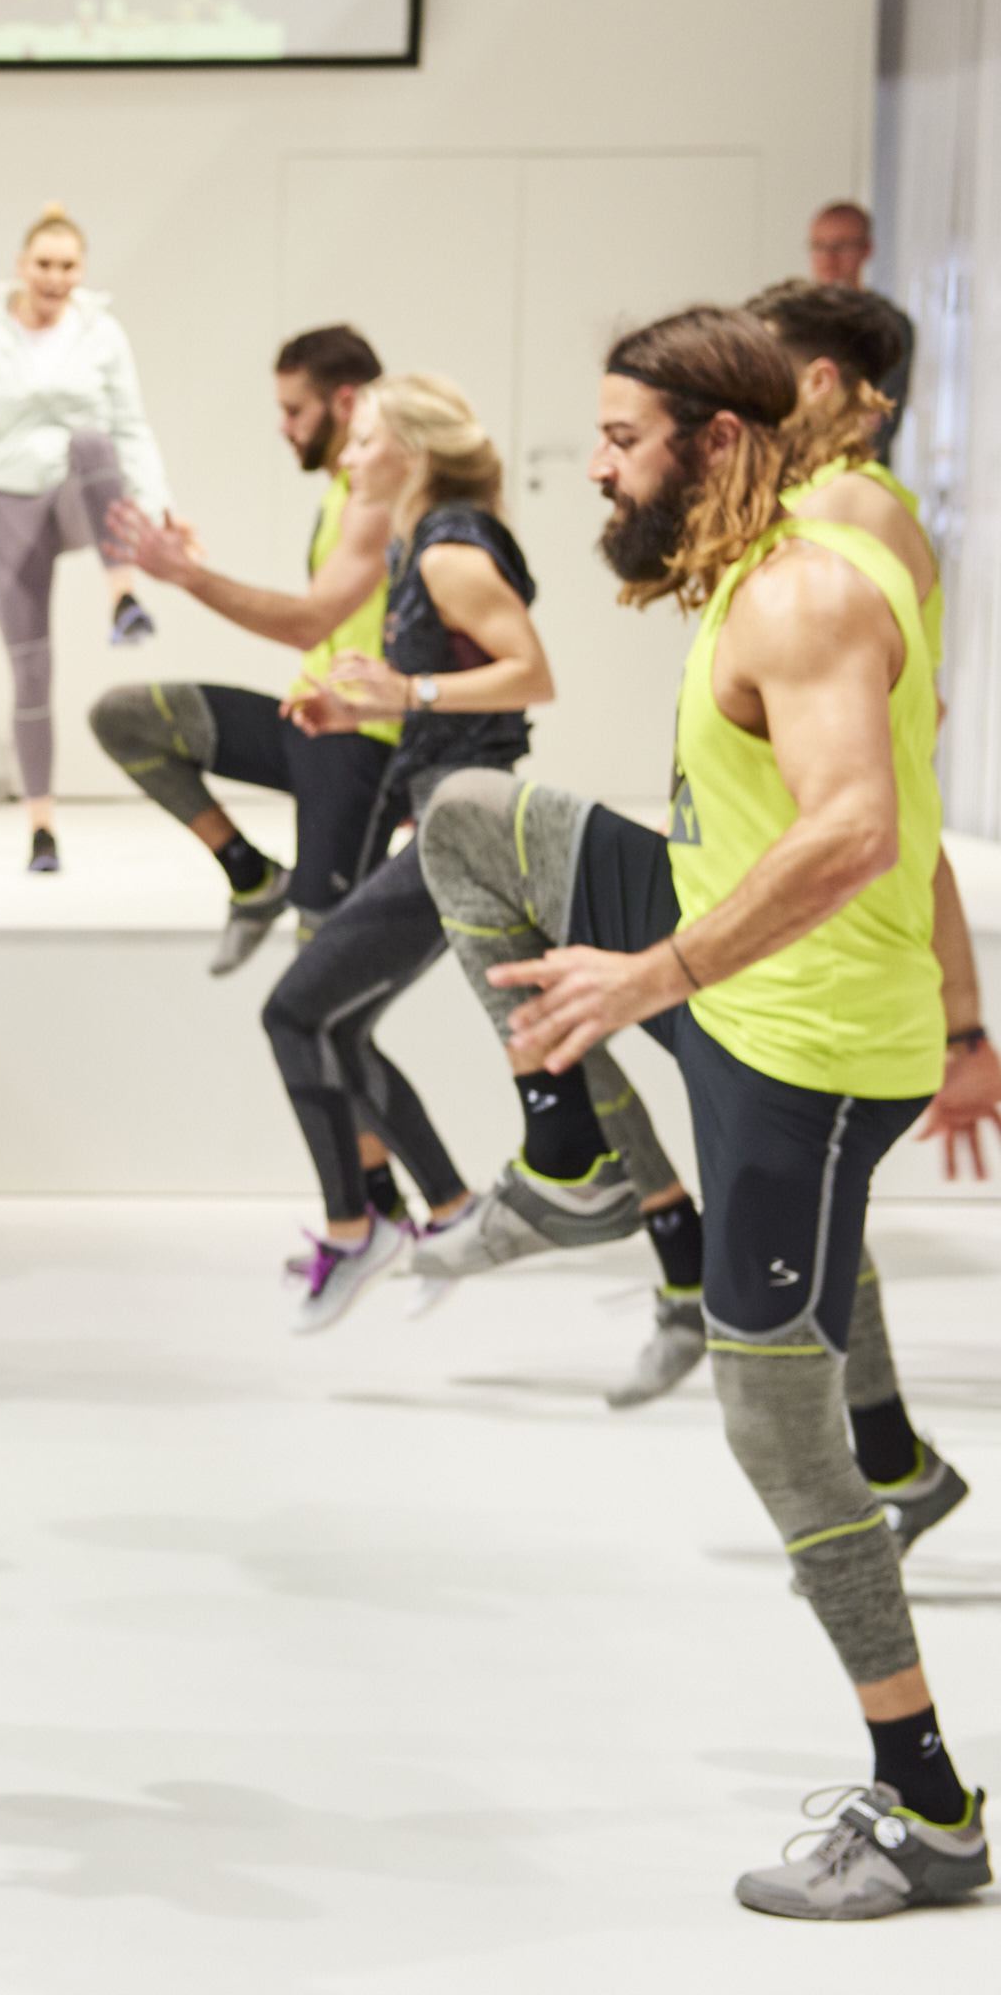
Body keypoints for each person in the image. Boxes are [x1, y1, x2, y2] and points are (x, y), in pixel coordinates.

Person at [414, 305, 985, 1917]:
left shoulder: (802, 594)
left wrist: (656, 969)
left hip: (798, 1048)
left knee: (774, 1431)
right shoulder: (755, 557)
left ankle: (930, 1810)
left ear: (719, 445)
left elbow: (863, 826)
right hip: (725, 944)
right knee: (468, 822)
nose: (594, 469)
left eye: (620, 440)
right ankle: (581, 1162)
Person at [251, 375, 550, 1332]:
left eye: (364, 438)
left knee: (296, 1013)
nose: (347, 455)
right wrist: (361, 705)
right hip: (445, 816)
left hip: (468, 825)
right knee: (330, 1023)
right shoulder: (425, 541)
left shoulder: (452, 548)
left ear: (410, 449)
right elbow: (442, 685)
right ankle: (449, 1213)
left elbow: (532, 675)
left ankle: (359, 1230)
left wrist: (406, 696)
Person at [95, 325, 396, 973]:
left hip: (364, 742)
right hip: (308, 720)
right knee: (124, 717)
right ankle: (253, 876)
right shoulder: (346, 490)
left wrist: (187, 576)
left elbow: (307, 624)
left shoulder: (384, 497)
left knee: (315, 980)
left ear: (344, 402)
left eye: (295, 410)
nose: (284, 427)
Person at [0, 202, 170, 872]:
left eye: (69, 266)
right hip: (9, 501)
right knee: (31, 669)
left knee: (92, 441)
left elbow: (131, 427)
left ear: (82, 272)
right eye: (45, 265)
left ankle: (124, 599)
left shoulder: (101, 333)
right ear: (22, 268)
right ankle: (42, 828)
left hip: (76, 497)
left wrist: (157, 505)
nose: (56, 278)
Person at [807, 200, 915, 465]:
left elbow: (880, 416)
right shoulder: (792, 322)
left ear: (866, 249)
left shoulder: (889, 325)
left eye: (840, 247)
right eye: (818, 246)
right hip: (796, 476)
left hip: (861, 472)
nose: (828, 258)